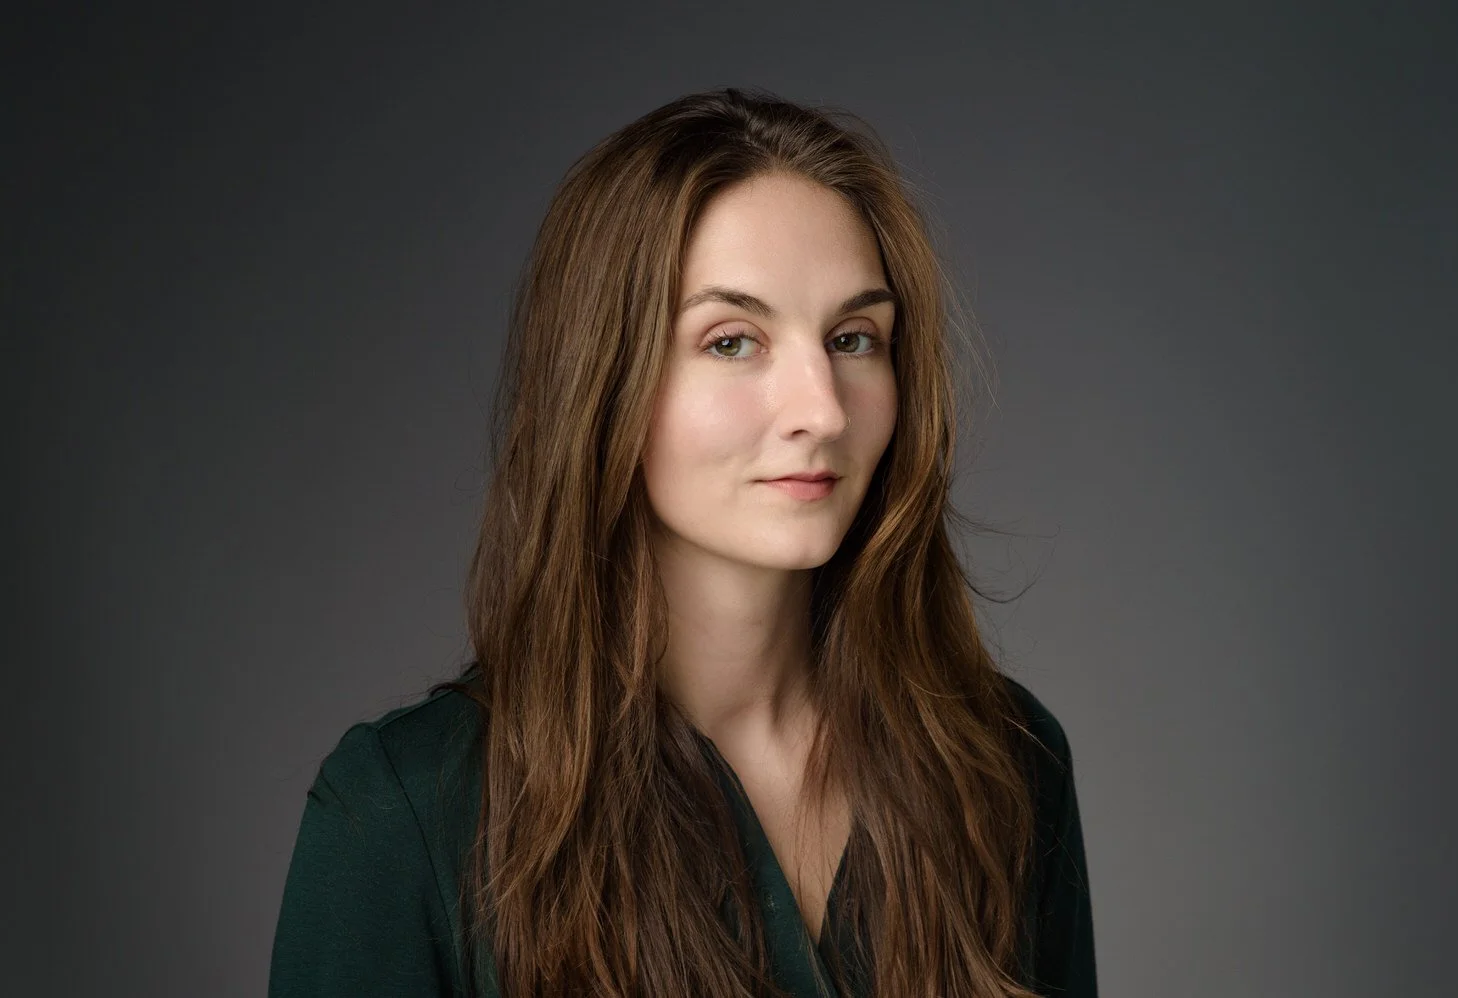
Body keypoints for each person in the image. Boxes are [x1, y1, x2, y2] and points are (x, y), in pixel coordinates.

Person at [269, 86, 1096, 998]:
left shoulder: (1005, 763)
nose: (822, 410)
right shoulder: (405, 813)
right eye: (733, 341)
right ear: (604, 378)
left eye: (854, 338)